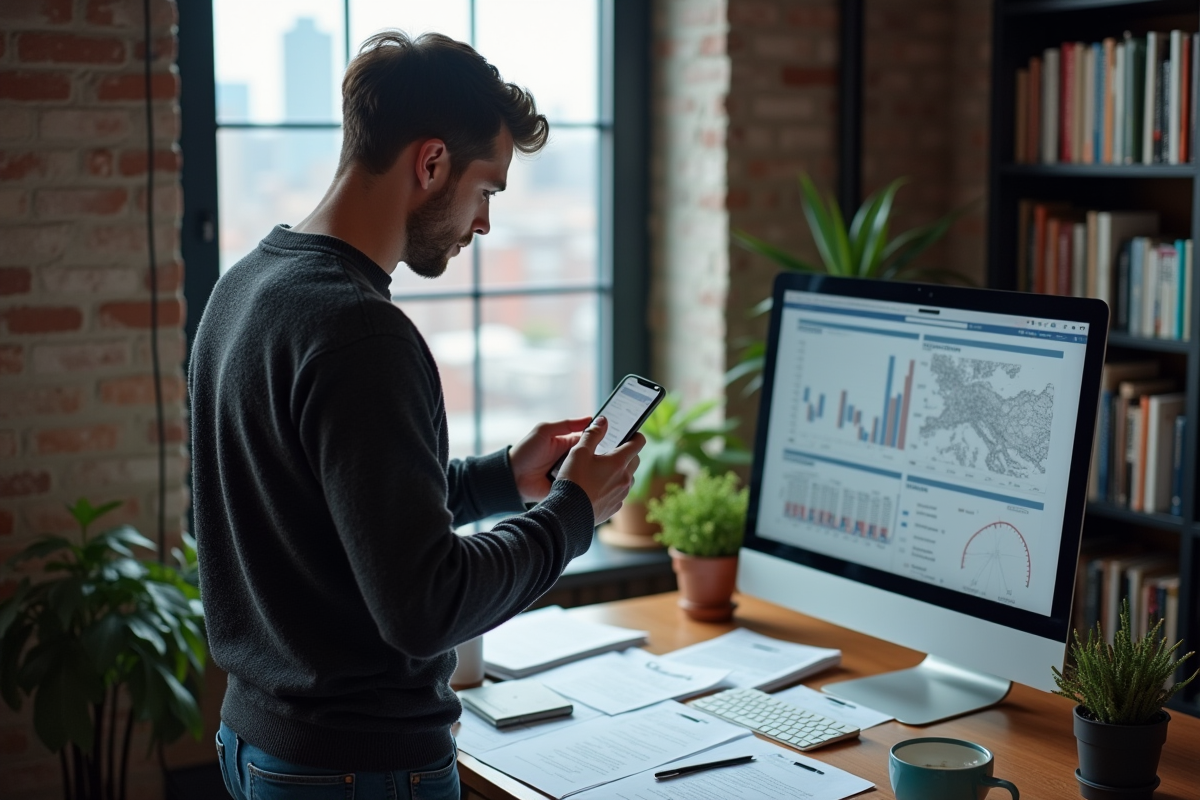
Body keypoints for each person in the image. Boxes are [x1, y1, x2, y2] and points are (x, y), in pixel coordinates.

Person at [189, 31, 643, 800]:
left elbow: (321, 510)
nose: (486, 222)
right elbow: (424, 607)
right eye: (487, 189)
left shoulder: (246, 287)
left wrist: (499, 480)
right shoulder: (361, 333)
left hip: (260, 742)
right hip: (356, 769)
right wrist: (575, 512)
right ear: (431, 163)